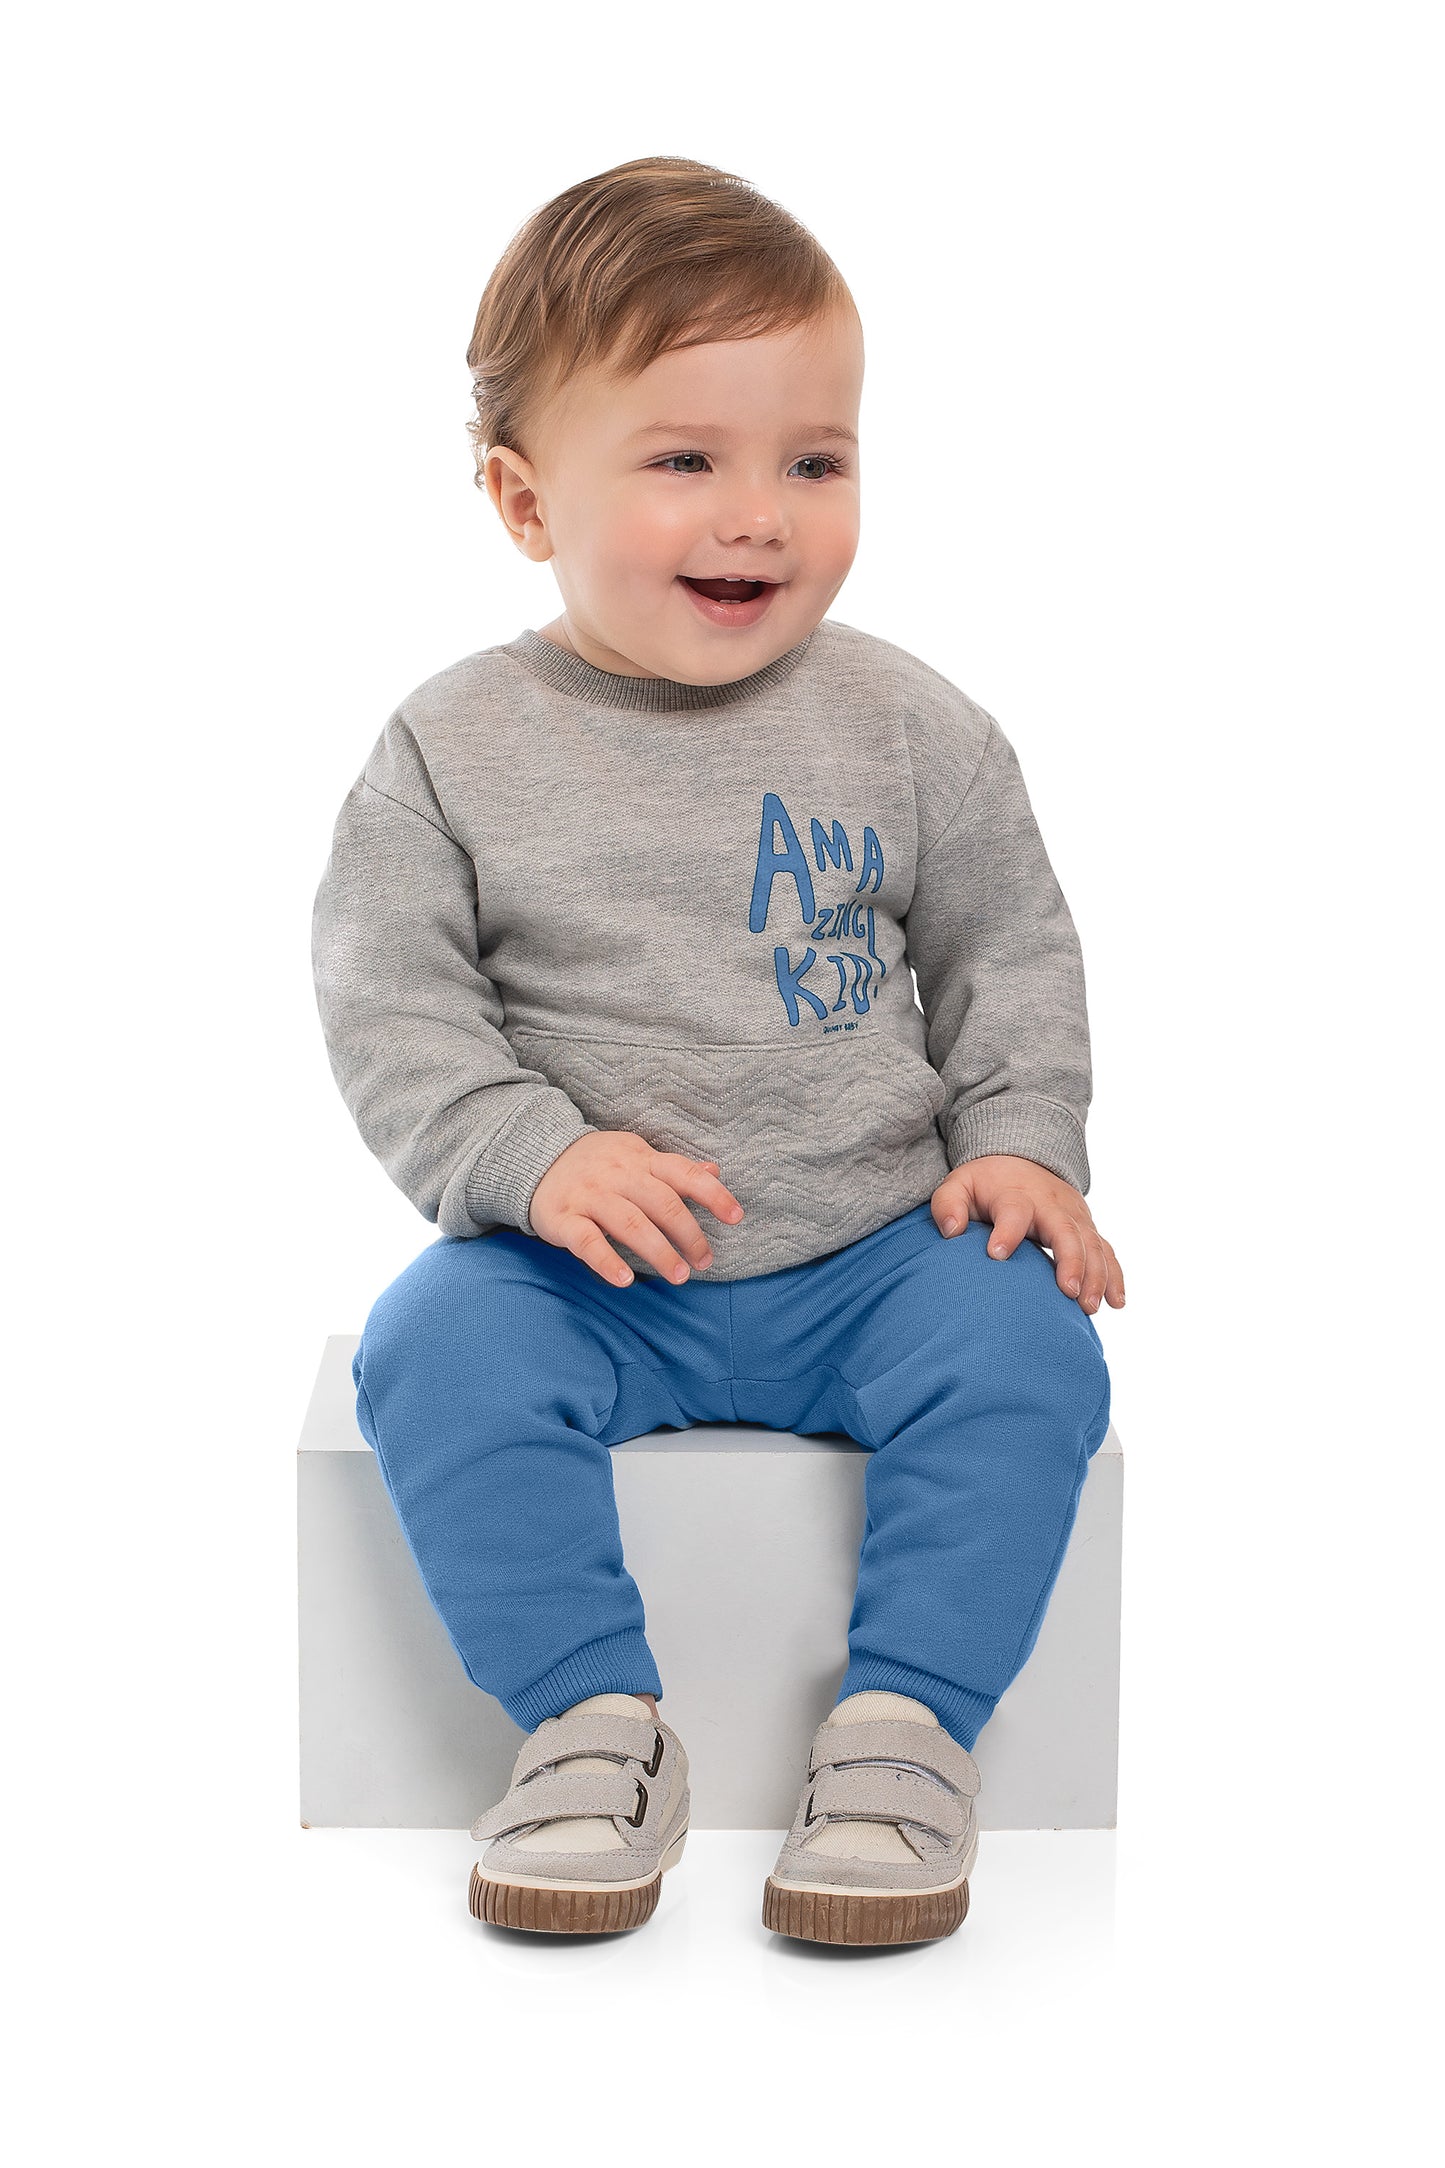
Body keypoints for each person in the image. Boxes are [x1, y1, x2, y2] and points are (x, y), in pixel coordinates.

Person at [311, 154, 1125, 1949]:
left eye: (813, 463)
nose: (757, 515)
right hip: (588, 1273)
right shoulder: (450, 746)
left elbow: (1005, 951)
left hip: (874, 1252)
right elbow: (394, 1005)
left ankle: (905, 1733)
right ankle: (587, 1723)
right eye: (685, 460)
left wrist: (1020, 1144)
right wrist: (532, 1158)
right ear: (524, 500)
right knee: (432, 1347)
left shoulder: (912, 725)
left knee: (1026, 1347)